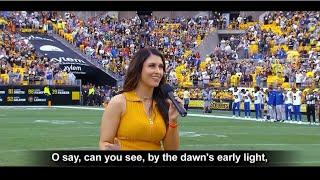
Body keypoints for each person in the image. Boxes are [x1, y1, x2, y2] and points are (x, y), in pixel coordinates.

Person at [99, 48, 182, 150]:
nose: (158, 71)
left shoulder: (164, 104)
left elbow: (171, 150)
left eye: (161, 67)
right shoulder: (119, 102)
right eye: (152, 66)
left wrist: (173, 120)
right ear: (138, 69)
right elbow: (105, 143)